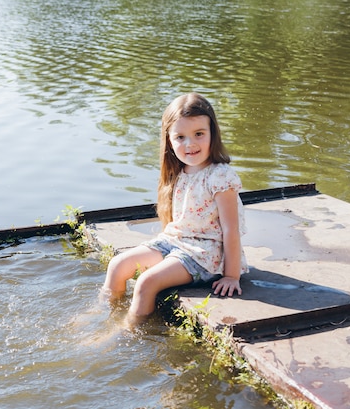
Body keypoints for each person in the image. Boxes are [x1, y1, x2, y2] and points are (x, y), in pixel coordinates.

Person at [101, 92, 248, 326]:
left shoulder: (220, 177)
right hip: (177, 241)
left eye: (199, 134)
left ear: (213, 134)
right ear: (169, 140)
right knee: (117, 265)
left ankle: (127, 331)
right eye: (180, 137)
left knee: (147, 283)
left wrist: (231, 276)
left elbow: (231, 229)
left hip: (206, 253)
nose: (190, 144)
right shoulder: (179, 171)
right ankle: (105, 317)